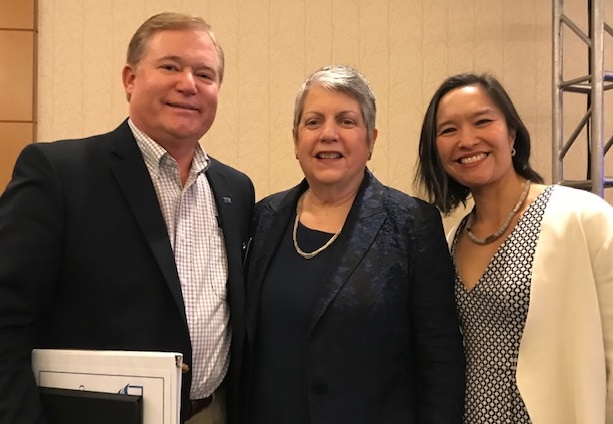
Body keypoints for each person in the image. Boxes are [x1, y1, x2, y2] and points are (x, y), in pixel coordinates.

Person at [0, 12, 254, 424]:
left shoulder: (236, 190)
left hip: (212, 413)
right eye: (170, 66)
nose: (188, 84)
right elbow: (7, 316)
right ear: (130, 78)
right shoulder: (59, 174)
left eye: (205, 74)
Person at [242, 64, 465, 424]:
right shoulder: (263, 217)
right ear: (296, 140)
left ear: (371, 140)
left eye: (346, 121)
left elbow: (439, 358)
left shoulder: (412, 224)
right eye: (313, 122)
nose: (328, 134)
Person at [415, 72, 613, 423]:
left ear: (512, 135)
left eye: (482, 121)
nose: (467, 140)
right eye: (448, 130)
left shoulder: (581, 218)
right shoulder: (450, 241)